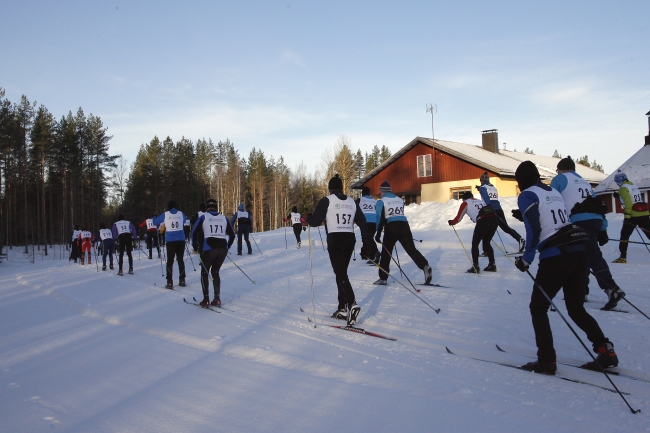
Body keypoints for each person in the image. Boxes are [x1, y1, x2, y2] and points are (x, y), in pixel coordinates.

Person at [513, 161, 619, 374]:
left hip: (556, 255)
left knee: (538, 307)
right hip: (578, 250)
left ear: (521, 181)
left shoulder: (527, 195)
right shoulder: (551, 190)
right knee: (576, 308)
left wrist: (526, 259)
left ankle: (547, 361)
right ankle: (605, 350)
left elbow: (534, 228)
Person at [550, 157, 626, 310]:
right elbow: (597, 204)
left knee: (590, 255)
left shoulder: (560, 179)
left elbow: (552, 201)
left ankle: (611, 288)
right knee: (581, 255)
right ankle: (581, 290)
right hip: (595, 220)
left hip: (579, 221)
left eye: (558, 170)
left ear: (562, 169)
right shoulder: (584, 182)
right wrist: (603, 229)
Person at [307, 175, 374, 326]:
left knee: (340, 272)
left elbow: (315, 222)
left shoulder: (327, 200)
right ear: (342, 188)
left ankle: (352, 304)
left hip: (335, 240)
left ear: (330, 188)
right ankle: (342, 308)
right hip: (350, 239)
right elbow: (363, 222)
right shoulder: (351, 201)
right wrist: (366, 243)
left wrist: (309, 217)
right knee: (342, 272)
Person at [373, 180, 432, 285]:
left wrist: (378, 233)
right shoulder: (399, 200)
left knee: (386, 253)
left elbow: (379, 218)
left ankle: (383, 278)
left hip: (391, 227)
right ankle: (425, 266)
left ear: (382, 192)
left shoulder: (381, 201)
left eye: (380, 192)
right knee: (411, 250)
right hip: (404, 225)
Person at [192, 198, 235, 307]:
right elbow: (233, 235)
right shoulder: (224, 218)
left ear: (207, 208)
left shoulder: (203, 217)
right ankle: (217, 299)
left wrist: (195, 245)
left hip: (209, 248)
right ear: (216, 207)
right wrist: (227, 246)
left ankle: (206, 299)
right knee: (215, 272)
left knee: (204, 272)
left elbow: (194, 231)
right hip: (222, 248)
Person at [448, 191, 498, 273]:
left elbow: (459, 218)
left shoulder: (465, 203)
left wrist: (452, 222)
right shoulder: (480, 201)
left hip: (483, 221)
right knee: (487, 242)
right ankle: (492, 265)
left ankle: (475, 266)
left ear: (464, 198)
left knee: (475, 244)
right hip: (494, 220)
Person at [477, 172, 525, 253]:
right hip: (499, 209)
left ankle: (486, 250)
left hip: (491, 210)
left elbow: (487, 199)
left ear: (481, 180)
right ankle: (519, 239)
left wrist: (481, 190)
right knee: (505, 227)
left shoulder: (483, 188)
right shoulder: (493, 187)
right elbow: (491, 196)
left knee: (486, 229)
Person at [611, 170, 650, 264]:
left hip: (633, 214)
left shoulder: (622, 188)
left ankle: (622, 257)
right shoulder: (633, 185)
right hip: (644, 213)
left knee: (624, 235)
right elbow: (634, 198)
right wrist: (619, 196)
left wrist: (627, 216)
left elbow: (628, 203)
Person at [153, 200, 187, 289]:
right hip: (181, 239)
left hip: (171, 240)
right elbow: (184, 220)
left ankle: (169, 282)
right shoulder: (181, 213)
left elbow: (155, 222)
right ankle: (182, 279)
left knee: (170, 261)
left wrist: (154, 216)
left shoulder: (165, 214)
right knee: (180, 260)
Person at [357, 186, 379, 263]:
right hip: (374, 222)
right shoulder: (374, 201)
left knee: (367, 239)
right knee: (369, 239)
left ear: (362, 193)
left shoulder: (360, 200)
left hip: (365, 221)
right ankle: (371, 255)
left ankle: (376, 253)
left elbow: (354, 209)